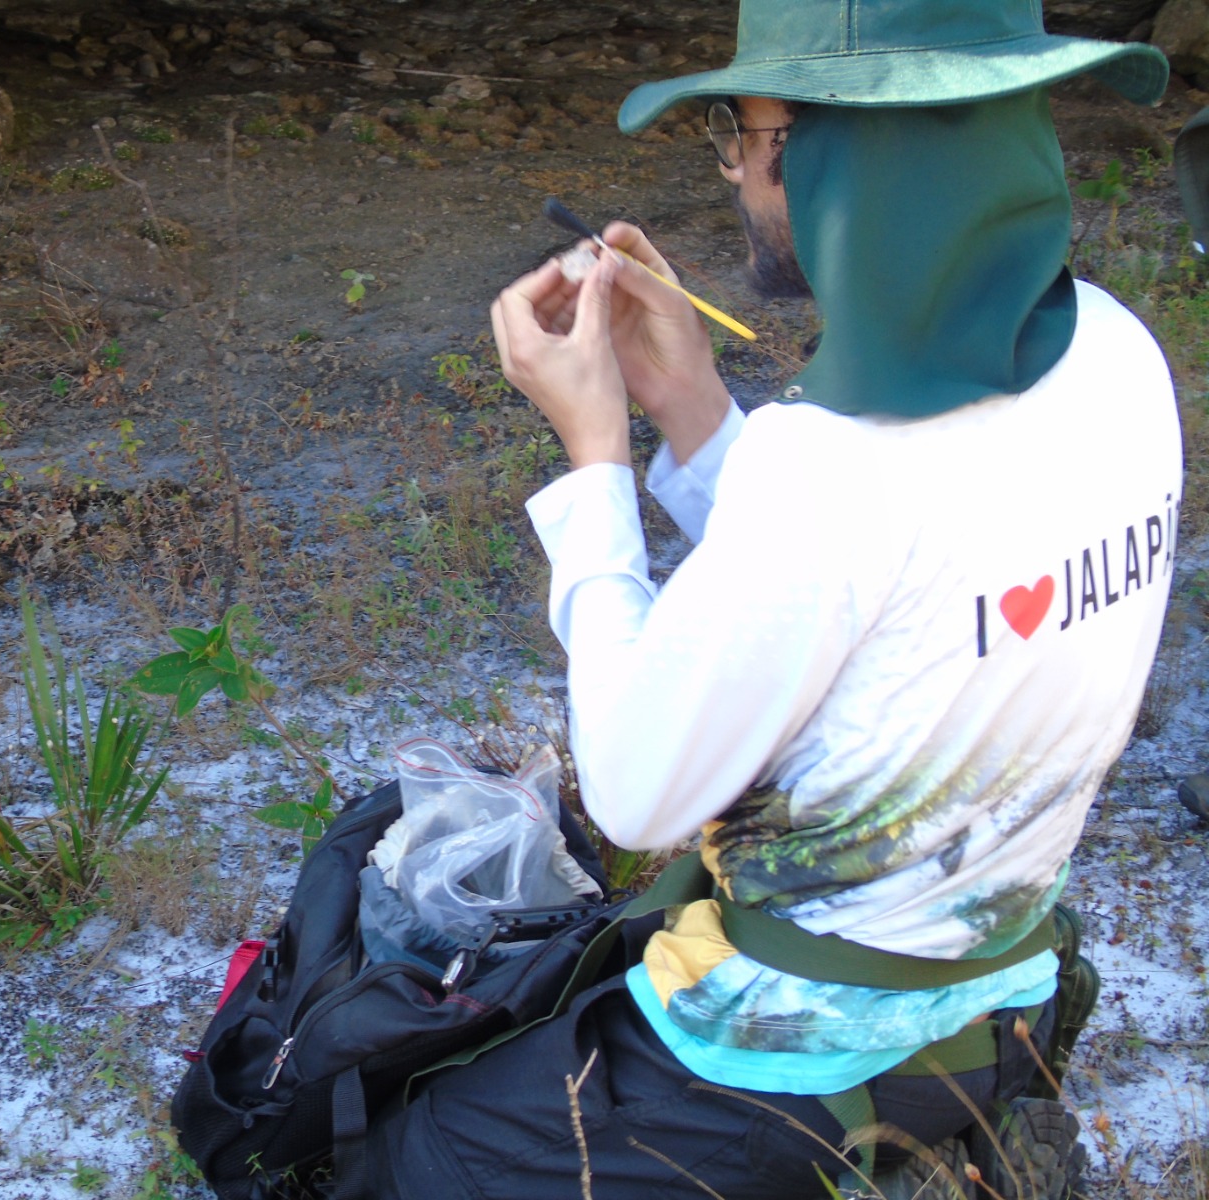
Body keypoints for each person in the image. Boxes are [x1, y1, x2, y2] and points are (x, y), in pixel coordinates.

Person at [366, 2, 1182, 1197]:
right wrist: (691, 405)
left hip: (800, 1048)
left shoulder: (833, 464)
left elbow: (637, 794)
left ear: (834, 157)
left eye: (739, 136)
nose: (733, 172)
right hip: (1003, 990)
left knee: (411, 1153)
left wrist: (594, 459)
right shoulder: (1115, 353)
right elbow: (877, 607)